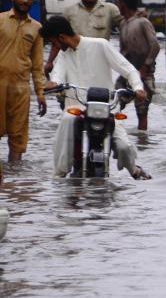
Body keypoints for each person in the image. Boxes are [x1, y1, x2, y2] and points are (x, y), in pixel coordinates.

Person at [40, 15, 150, 180]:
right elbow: (57, 76)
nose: (54, 47)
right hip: (76, 109)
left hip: (107, 108)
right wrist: (52, 84)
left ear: (61, 38)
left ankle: (133, 168)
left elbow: (129, 69)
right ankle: (59, 174)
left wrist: (138, 88)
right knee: (67, 120)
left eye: (53, 42)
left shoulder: (100, 45)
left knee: (123, 146)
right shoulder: (63, 56)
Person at [0, 0, 47, 164]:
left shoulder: (36, 28)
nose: (25, 1)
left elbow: (37, 65)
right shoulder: (1, 21)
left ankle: (17, 184)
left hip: (20, 90)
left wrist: (41, 93)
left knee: (18, 139)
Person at [51, 0, 123, 74]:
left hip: (100, 64)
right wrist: (50, 62)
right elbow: (58, 40)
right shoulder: (69, 12)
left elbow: (127, 27)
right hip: (75, 64)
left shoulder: (110, 10)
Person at [115, 0, 160, 131]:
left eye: (118, 3)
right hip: (127, 72)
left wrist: (145, 67)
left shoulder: (143, 22)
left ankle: (142, 139)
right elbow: (123, 50)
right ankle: (115, 132)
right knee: (114, 102)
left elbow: (155, 45)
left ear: (123, 5)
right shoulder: (123, 24)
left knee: (141, 110)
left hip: (144, 73)